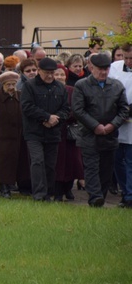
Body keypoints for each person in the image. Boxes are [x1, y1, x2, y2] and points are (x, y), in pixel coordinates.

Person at [73, 53, 129, 207]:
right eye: (100, 69)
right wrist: (95, 126)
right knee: (91, 167)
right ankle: (95, 196)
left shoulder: (116, 86)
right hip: (89, 135)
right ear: (92, 68)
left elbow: (124, 110)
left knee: (106, 168)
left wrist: (112, 125)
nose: (103, 72)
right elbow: (78, 110)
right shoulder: (81, 85)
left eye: (106, 69)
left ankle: (101, 196)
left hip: (110, 135)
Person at [20, 57, 70, 202]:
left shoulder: (60, 87)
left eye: (52, 73)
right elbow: (27, 107)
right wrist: (46, 117)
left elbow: (66, 109)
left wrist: (55, 119)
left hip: (53, 132)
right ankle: (39, 194)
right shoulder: (30, 86)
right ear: (39, 71)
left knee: (50, 164)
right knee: (37, 161)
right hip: (34, 132)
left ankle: (48, 192)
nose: (49, 76)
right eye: (46, 72)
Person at [52, 64, 83, 201]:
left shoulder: (72, 90)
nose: (59, 77)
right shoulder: (50, 90)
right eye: (56, 74)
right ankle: (57, 192)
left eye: (62, 74)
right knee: (57, 163)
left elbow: (78, 108)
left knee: (72, 162)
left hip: (70, 133)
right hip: (55, 131)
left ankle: (68, 188)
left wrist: (67, 115)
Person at [0, 71, 23, 198]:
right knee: (2, 163)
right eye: (8, 85)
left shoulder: (21, 95)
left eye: (13, 84)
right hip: (0, 136)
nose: (11, 87)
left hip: (17, 135)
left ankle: (11, 183)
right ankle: (4, 187)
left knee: (16, 161)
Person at [109, 47, 132, 208]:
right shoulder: (115, 67)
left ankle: (130, 195)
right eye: (126, 57)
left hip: (129, 121)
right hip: (116, 121)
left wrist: (127, 112)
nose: (128, 61)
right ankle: (125, 192)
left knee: (130, 161)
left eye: (131, 58)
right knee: (117, 161)